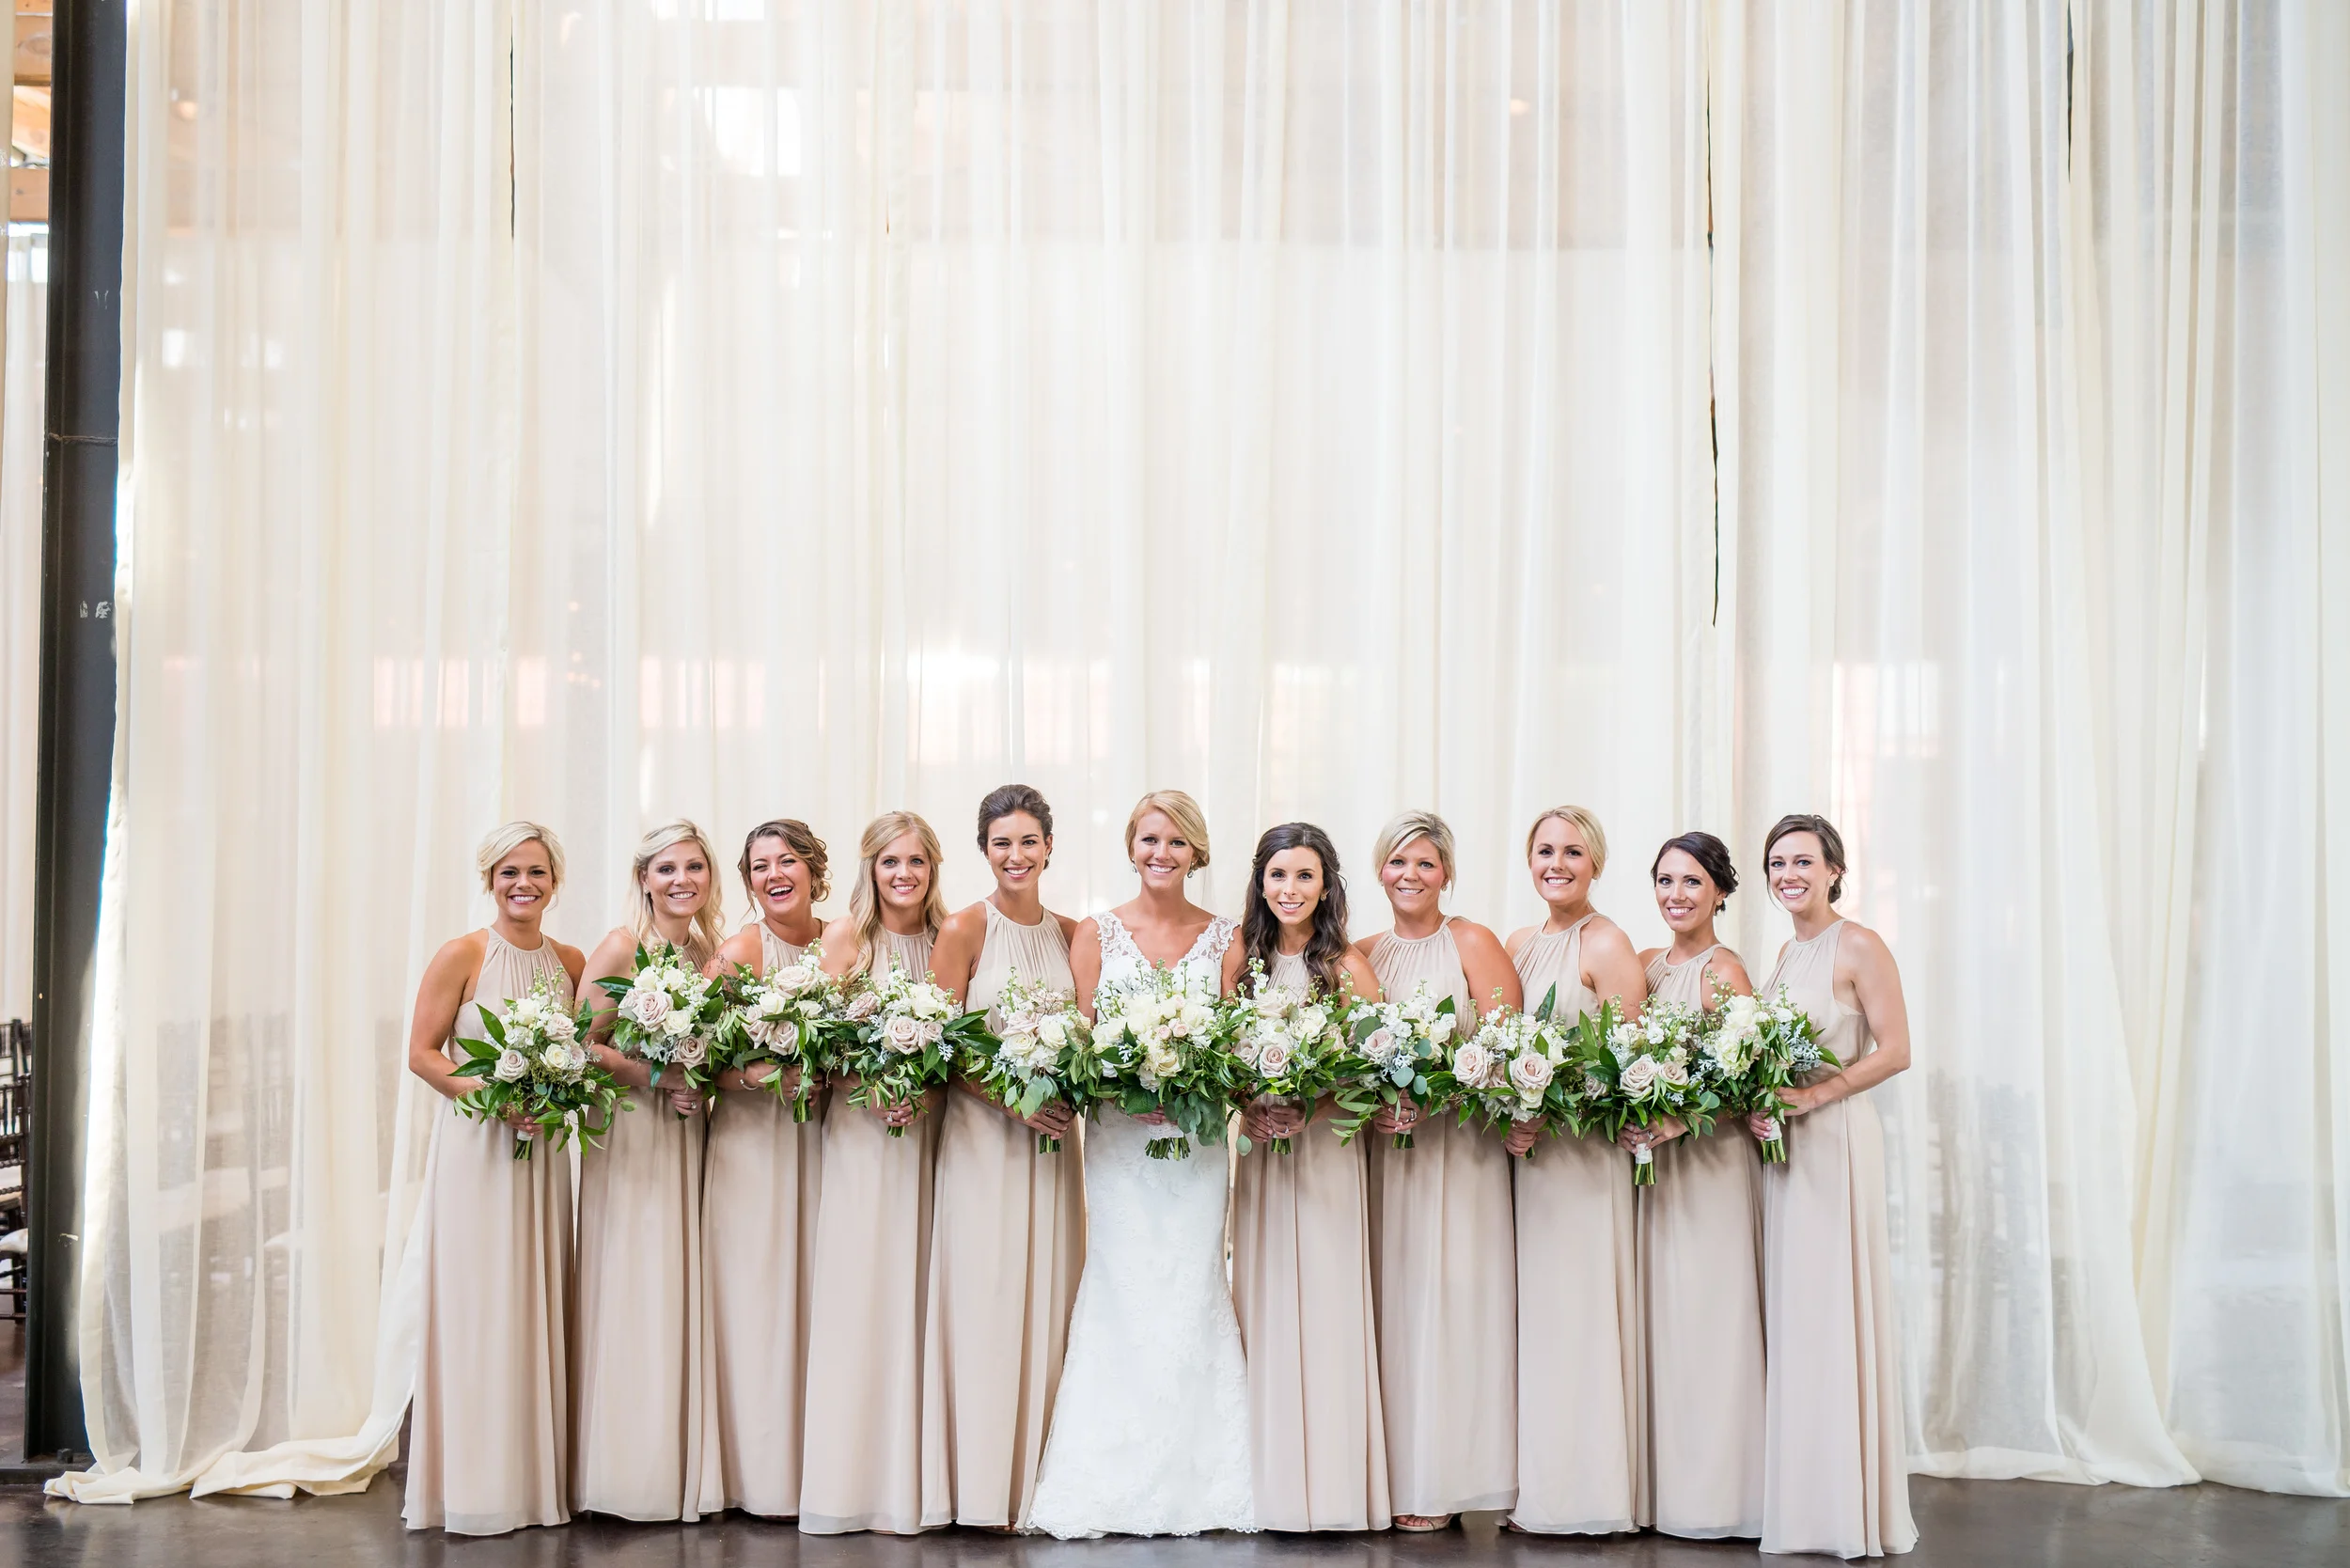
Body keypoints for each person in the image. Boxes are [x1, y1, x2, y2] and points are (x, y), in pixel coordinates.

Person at [1027, 790, 1254, 1538]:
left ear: (1197, 853)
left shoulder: (1227, 938)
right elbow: (1080, 1038)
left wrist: (1194, 1086)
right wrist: (1124, 1089)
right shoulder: (1095, 932)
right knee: (1122, 1288)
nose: (1162, 853)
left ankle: (1205, 1477)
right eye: (1150, 839)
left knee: (1189, 1285)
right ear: (1132, 847)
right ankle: (1107, 1474)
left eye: (1177, 842)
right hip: (1120, 1145)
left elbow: (1236, 1047)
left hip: (1195, 1147)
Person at [402, 823, 587, 1535]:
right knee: (479, 1304)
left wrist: (555, 1095)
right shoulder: (463, 953)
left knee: (533, 1297)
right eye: (510, 872)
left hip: (542, 1152)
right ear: (490, 880)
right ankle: (475, 1485)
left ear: (554, 882)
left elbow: (584, 1053)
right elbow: (423, 1054)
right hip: (478, 1147)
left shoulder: (570, 961)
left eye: (536, 872)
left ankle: (534, 1482)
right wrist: (493, 1097)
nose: (523, 885)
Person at [918, 786, 1085, 1529]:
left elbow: (1091, 1037)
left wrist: (1070, 1089)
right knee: (984, 1300)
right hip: (984, 1142)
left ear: (1048, 847)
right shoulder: (963, 928)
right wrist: (1012, 1100)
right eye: (1001, 844)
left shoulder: (1073, 933)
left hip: (1052, 1148)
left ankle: (1041, 1484)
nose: (1015, 856)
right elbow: (938, 1044)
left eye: (1027, 842)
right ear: (984, 851)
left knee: (1049, 1296)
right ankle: (980, 1487)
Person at [1754, 814, 1918, 1558]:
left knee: (1834, 1308)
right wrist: (1764, 1103)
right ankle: (1806, 1498)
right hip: (1787, 1148)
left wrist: (1819, 1095)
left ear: (1834, 872)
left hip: (1839, 1143)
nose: (1789, 875)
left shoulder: (1859, 945)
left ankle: (1846, 1509)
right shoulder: (1786, 952)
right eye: (1778, 864)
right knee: (1800, 1316)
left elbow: (1897, 1050)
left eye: (1803, 862)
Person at [1355, 809, 1522, 1531]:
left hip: (1461, 1154)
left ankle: (1449, 1478)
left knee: (1456, 1304)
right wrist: (1378, 1103)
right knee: (1395, 1305)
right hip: (1388, 1160)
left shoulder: (1473, 942)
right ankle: (1398, 1475)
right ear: (1379, 870)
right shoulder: (1362, 953)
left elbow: (1510, 1050)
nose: (1411, 875)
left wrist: (1440, 1095)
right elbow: (1347, 1060)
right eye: (1398, 862)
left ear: (1446, 873)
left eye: (1425, 863)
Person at [1222, 823, 1391, 1531]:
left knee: (1326, 1301)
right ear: (1260, 883)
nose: (1289, 890)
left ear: (1326, 888)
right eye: (1278, 875)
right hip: (1263, 1151)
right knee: (1263, 1297)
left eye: (1304, 876)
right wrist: (1248, 1105)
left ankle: (1334, 1484)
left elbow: (1376, 1066)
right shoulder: (1242, 960)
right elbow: (1219, 1054)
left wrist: (1311, 1108)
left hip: (1325, 1154)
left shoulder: (1347, 966)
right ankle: (1272, 1484)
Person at [798, 810, 948, 1534]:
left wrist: (924, 1093)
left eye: (916, 861)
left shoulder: (950, 941)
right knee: (862, 1295)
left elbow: (960, 1053)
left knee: (921, 1295)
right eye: (891, 861)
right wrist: (872, 1086)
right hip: (861, 1135)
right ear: (871, 869)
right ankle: (852, 1481)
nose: (904, 874)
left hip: (931, 1136)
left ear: (933, 868)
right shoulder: (846, 940)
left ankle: (915, 1476)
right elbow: (818, 1044)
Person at [573, 820, 728, 1521]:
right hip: (631, 1131)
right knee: (635, 1280)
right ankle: (623, 1468)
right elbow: (581, 1045)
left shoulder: (707, 953)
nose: (681, 881)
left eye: (693, 867)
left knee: (676, 1282)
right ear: (644, 878)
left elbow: (713, 1053)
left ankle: (675, 1458)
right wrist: (659, 1077)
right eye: (666, 869)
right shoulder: (621, 946)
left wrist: (697, 1081)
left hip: (688, 1130)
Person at [1503, 806, 1648, 1536]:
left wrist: (1552, 1110)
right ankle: (1539, 1486)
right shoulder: (1518, 944)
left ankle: (1586, 1494)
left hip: (1583, 1163)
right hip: (1527, 1164)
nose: (1556, 864)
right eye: (1544, 851)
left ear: (1596, 863)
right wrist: (1510, 1105)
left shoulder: (1608, 942)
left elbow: (1630, 1066)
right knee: (1536, 1323)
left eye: (1572, 852)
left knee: (1579, 1317)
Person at [1635, 830, 1765, 1540]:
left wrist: (1678, 1121)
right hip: (1655, 1172)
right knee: (1665, 1323)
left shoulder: (1725, 971)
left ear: (1719, 892)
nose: (1676, 895)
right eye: (1665, 880)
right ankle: (1667, 1489)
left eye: (1691, 882)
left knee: (1710, 1321)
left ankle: (1720, 1496)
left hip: (1710, 1167)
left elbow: (1747, 1083)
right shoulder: (1647, 967)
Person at [701, 819, 831, 1520]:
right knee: (757, 1301)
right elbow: (698, 1061)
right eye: (759, 866)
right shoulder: (738, 953)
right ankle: (758, 1475)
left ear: (813, 869)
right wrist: (760, 1077)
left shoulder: (843, 943)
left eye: (787, 861)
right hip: (753, 1146)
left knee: (818, 1299)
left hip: (826, 1144)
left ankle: (821, 1464)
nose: (774, 874)